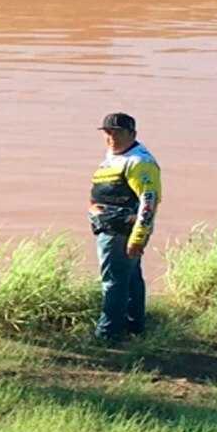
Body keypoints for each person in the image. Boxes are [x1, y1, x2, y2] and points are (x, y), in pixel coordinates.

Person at [88, 112, 161, 343]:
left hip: (120, 232)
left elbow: (149, 201)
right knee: (130, 279)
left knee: (113, 282)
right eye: (108, 132)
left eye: (118, 132)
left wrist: (138, 237)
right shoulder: (115, 156)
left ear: (132, 134)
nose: (111, 137)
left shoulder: (139, 162)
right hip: (109, 227)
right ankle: (134, 328)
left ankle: (108, 334)